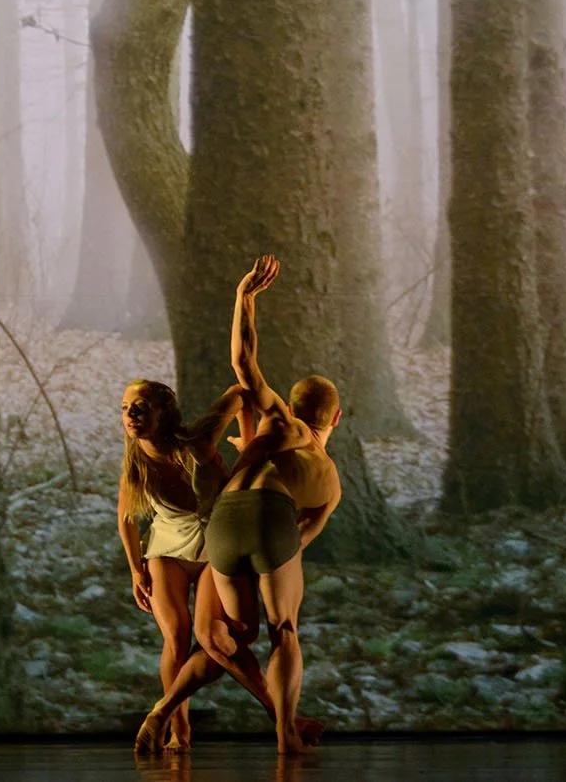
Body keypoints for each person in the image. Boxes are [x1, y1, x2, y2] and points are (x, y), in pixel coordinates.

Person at [136, 254, 341, 757]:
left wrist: (244, 297)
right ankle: (284, 735)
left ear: (293, 408)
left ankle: (161, 711)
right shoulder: (329, 482)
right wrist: (276, 549)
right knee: (283, 631)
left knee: (230, 637)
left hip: (224, 521)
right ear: (335, 418)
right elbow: (300, 539)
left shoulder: (276, 424)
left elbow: (243, 363)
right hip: (272, 521)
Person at [116, 375, 245, 752]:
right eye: (125, 409)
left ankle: (164, 710)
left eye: (140, 407)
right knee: (175, 635)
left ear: (163, 411)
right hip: (165, 550)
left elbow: (237, 394)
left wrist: (250, 437)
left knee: (209, 635)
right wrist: (136, 569)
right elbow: (126, 519)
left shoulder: (196, 443)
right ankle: (178, 731)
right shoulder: (136, 461)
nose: (131, 415)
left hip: (212, 549)